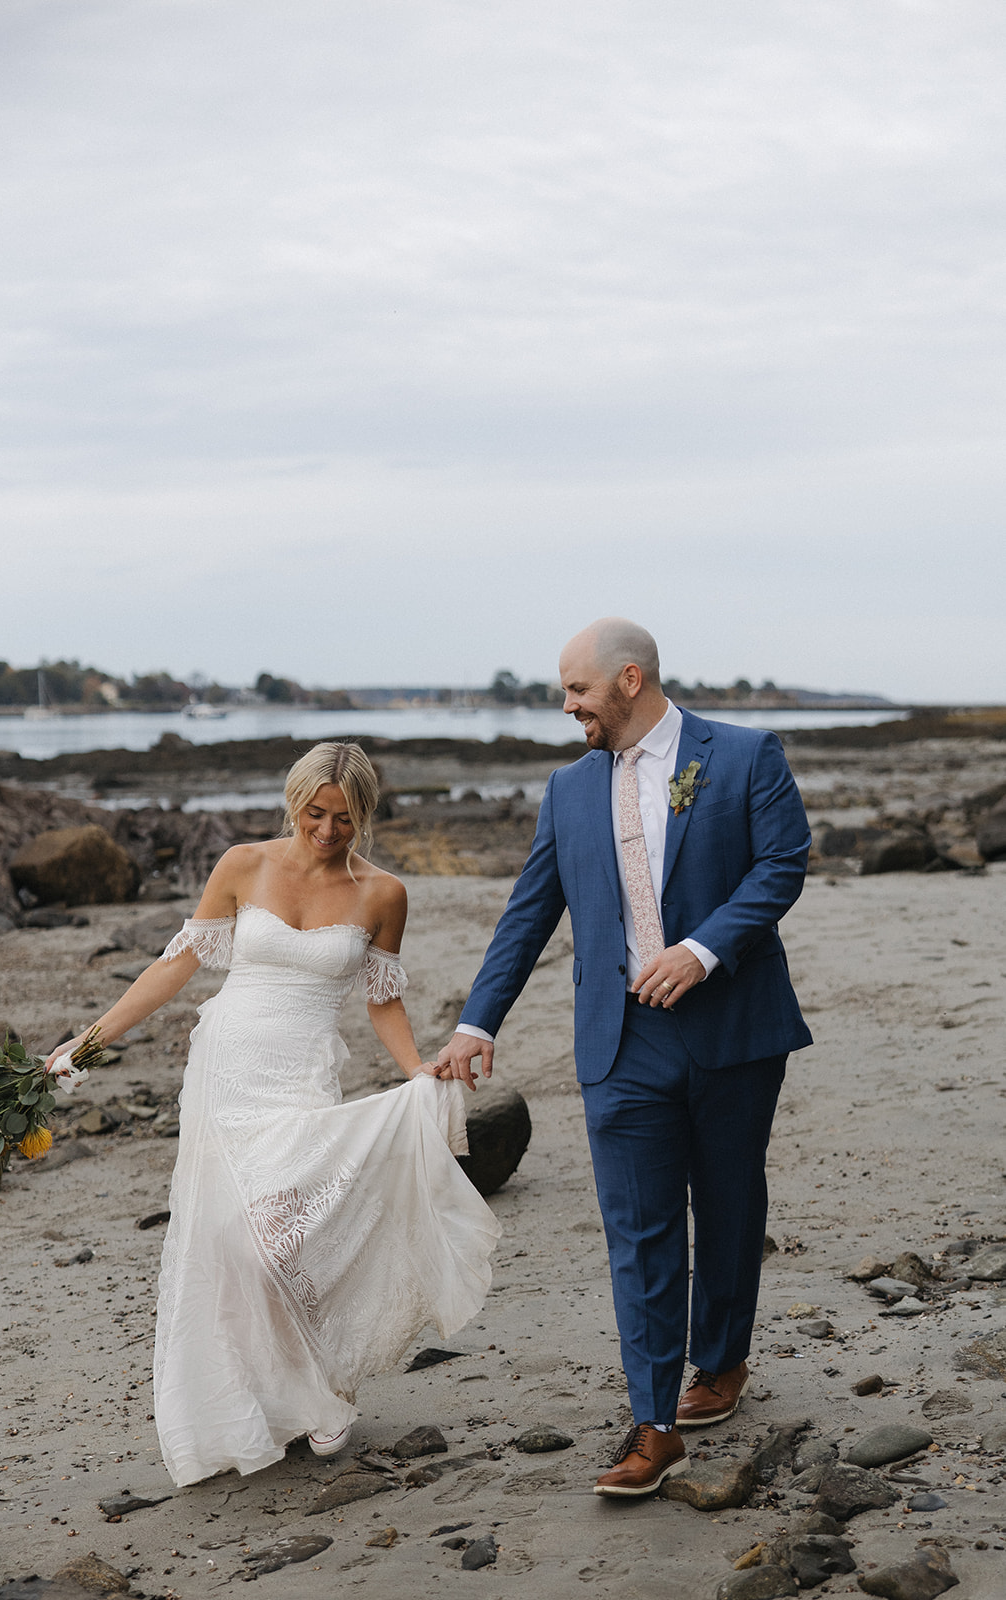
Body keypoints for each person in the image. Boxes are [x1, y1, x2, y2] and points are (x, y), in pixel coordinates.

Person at [48, 741, 500, 1487]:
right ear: (294, 802)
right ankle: (275, 1399)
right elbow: (176, 965)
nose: (327, 830)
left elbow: (380, 1000)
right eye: (315, 813)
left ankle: (323, 1386)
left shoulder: (382, 893)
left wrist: (415, 1069)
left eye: (345, 820)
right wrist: (88, 1043)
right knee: (228, 1243)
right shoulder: (241, 864)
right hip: (225, 1068)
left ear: (365, 819)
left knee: (279, 1242)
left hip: (300, 1076)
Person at [435, 619, 812, 1498]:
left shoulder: (746, 756)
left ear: (629, 680)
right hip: (619, 1041)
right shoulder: (567, 790)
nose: (568, 708)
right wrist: (475, 1024)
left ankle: (720, 1362)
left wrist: (701, 950)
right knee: (636, 1229)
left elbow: (781, 866)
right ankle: (652, 1425)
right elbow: (528, 913)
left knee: (726, 1202)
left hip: (732, 1030)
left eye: (576, 691)